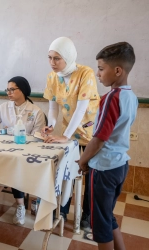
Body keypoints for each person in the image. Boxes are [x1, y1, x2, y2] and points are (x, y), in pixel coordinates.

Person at [78, 42, 137, 250]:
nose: (97, 73)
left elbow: (99, 138)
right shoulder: (131, 96)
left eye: (101, 69)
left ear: (117, 70)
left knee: (100, 225)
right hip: (120, 165)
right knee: (107, 216)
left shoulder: (112, 97)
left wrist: (83, 161)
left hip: (103, 168)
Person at [42, 37, 100, 230]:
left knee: (89, 177)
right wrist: (50, 125)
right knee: (67, 171)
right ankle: (63, 210)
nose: (52, 62)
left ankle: (87, 216)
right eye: (49, 57)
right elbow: (53, 108)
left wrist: (65, 136)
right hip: (69, 133)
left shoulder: (86, 73)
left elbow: (81, 109)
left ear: (68, 57)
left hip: (91, 132)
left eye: (57, 58)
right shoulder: (52, 77)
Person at [0, 76, 46, 225]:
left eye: (12, 89)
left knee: (13, 164)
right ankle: (21, 206)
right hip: (5, 150)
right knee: (10, 163)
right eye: (7, 90)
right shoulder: (4, 107)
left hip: (26, 152)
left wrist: (12, 131)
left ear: (22, 90)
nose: (8, 93)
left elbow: (38, 136)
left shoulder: (36, 111)